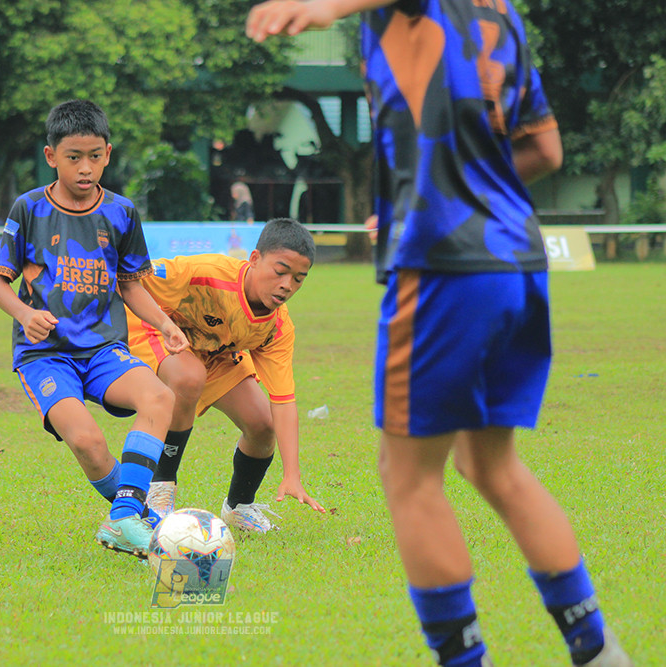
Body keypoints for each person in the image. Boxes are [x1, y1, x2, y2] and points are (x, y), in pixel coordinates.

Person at [248, 2, 631, 667]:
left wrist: (320, 7)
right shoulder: (504, 14)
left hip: (445, 269)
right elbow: (544, 149)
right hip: (517, 260)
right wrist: (439, 189)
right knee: (491, 464)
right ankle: (598, 651)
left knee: (408, 475)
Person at [0, 99, 189, 558]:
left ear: (109, 154)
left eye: (94, 157)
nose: (85, 168)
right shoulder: (28, 209)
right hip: (45, 355)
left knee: (159, 396)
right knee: (88, 442)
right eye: (73, 157)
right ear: (50, 156)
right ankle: (142, 519)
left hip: (102, 349)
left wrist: (164, 323)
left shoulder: (121, 213)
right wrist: (24, 313)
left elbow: (130, 284)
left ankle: (122, 519)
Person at [127, 217, 325, 533]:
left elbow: (284, 401)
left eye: (299, 278)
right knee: (189, 377)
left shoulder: (276, 327)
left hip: (215, 352)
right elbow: (132, 278)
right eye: (280, 271)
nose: (288, 284)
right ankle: (160, 490)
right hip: (156, 329)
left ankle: (239, 507)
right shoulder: (205, 273)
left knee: (262, 425)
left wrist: (292, 474)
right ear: (255, 259)